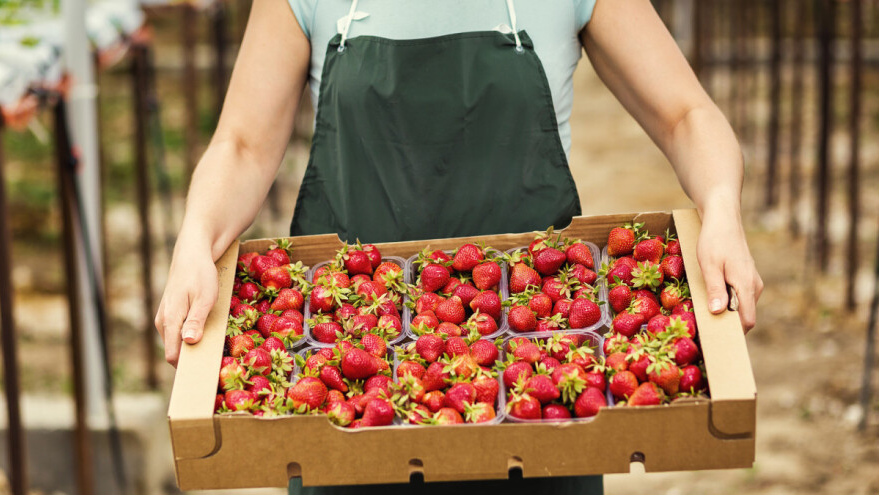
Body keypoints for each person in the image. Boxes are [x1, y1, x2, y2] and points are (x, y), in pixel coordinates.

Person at [155, 0, 764, 493]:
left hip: (537, 365)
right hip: (350, 375)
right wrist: (195, 240)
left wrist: (721, 209)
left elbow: (687, 115)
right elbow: (241, 145)